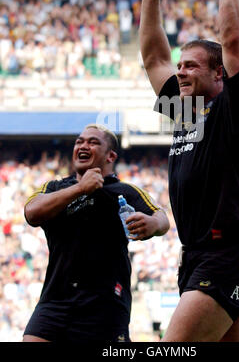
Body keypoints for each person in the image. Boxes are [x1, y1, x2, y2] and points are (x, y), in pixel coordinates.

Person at [139, 0, 239, 342]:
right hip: (198, 257)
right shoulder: (185, 109)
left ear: (218, 76)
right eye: (181, 65)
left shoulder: (235, 110)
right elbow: (155, 58)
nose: (180, 72)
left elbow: (232, 43)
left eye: (191, 66)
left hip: (224, 257)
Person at [23, 124, 169, 343]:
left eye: (93, 142)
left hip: (105, 304)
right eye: (79, 141)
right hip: (56, 300)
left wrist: (153, 224)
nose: (83, 145)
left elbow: (162, 218)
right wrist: (80, 188)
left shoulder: (125, 191)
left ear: (110, 156)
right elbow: (31, 213)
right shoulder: (54, 188)